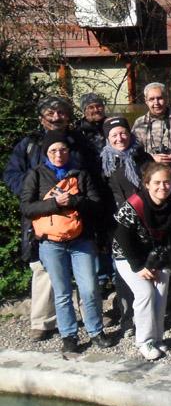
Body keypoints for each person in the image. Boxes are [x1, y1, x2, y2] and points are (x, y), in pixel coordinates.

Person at [3, 96, 91, 340]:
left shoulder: (79, 142)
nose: (56, 117)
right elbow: (11, 174)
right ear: (41, 118)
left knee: (82, 265)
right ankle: (43, 321)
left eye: (61, 112)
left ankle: (88, 316)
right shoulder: (29, 144)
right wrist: (35, 192)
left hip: (76, 214)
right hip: (41, 214)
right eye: (50, 113)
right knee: (42, 268)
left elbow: (93, 174)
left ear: (68, 116)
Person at [19, 129, 112, 353]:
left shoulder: (81, 175)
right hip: (51, 243)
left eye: (62, 149)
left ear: (68, 151)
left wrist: (74, 201)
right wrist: (54, 204)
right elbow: (26, 208)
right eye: (53, 150)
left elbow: (97, 205)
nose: (58, 154)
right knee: (62, 292)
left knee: (89, 289)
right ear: (46, 153)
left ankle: (96, 331)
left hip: (81, 241)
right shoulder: (36, 175)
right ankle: (69, 335)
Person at [112, 162, 171, 361]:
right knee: (145, 292)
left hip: (157, 254)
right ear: (147, 184)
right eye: (157, 183)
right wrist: (139, 266)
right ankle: (144, 341)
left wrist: (160, 263)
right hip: (128, 255)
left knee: (160, 291)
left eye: (167, 182)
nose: (162, 187)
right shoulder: (134, 204)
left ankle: (158, 337)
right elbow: (121, 236)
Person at [99, 115, 154, 336]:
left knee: (146, 266)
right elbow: (101, 197)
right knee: (123, 272)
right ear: (107, 138)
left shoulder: (143, 157)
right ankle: (128, 318)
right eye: (114, 135)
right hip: (118, 225)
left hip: (145, 222)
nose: (119, 138)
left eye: (123, 133)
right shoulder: (104, 163)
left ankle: (150, 315)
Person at [131, 82, 171, 169]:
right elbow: (133, 150)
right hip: (150, 170)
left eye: (160, 98)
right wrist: (151, 157)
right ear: (146, 101)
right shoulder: (140, 123)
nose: (156, 103)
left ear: (166, 98)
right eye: (152, 99)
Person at [76, 92, 107, 159]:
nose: (96, 110)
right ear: (84, 111)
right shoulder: (78, 130)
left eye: (98, 106)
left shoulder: (111, 125)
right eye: (91, 107)